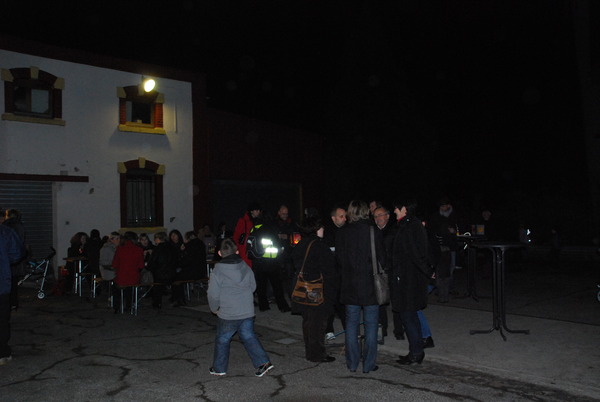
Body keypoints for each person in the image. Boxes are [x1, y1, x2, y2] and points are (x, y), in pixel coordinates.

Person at [207, 238, 274, 377]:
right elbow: (253, 286)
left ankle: (219, 368)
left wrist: (214, 308)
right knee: (248, 336)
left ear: (219, 253)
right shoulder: (245, 266)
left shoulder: (217, 271)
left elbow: (213, 294)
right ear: (237, 251)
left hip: (228, 313)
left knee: (222, 339)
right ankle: (263, 362)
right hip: (247, 310)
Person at [335, 200, 384, 373]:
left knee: (351, 325)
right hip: (370, 285)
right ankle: (368, 364)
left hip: (350, 285)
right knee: (371, 325)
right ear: (365, 212)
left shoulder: (343, 232)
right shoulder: (373, 230)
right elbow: (381, 258)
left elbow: (339, 260)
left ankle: (352, 363)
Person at [391, 199, 434, 365]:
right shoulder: (411, 224)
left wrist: (428, 271)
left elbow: (416, 254)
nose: (394, 211)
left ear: (403, 208)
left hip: (408, 280)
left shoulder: (409, 226)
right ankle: (416, 351)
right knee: (411, 316)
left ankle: (416, 353)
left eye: (396, 208)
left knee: (408, 317)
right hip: (410, 278)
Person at [291, 217, 337, 363]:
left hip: (303, 290)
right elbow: (329, 270)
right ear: (315, 229)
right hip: (316, 290)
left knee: (308, 322)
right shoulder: (319, 246)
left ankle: (310, 351)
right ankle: (317, 354)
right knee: (317, 324)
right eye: (321, 227)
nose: (323, 230)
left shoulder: (300, 244)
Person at [247, 213, 291, 313]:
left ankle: (263, 306)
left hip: (258, 261)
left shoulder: (255, 229)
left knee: (261, 285)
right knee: (277, 285)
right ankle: (283, 306)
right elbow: (276, 243)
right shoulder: (271, 229)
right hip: (271, 261)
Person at [373, 206, 404, 341]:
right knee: (380, 300)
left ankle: (399, 330)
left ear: (387, 216)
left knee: (396, 301)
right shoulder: (373, 232)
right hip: (378, 272)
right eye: (375, 216)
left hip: (393, 270)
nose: (378, 218)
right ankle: (383, 329)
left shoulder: (394, 230)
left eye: (380, 215)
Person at [322, 205, 347, 340]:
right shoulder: (328, 233)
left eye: (345, 216)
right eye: (341, 216)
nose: (344, 219)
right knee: (330, 303)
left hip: (344, 275)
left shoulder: (348, 230)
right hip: (330, 275)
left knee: (344, 303)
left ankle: (349, 329)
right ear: (333, 218)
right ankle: (328, 329)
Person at [0, 223, 23, 365]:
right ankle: (2, 353)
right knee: (2, 320)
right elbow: (16, 254)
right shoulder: (5, 232)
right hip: (1, 283)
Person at [171, 230, 206, 307]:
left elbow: (186, 261)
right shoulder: (201, 244)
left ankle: (179, 299)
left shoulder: (189, 246)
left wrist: (182, 252)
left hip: (191, 272)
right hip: (201, 271)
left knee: (176, 278)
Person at [111, 231, 144, 312]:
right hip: (133, 278)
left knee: (115, 287)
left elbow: (115, 264)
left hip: (121, 277)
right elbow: (141, 266)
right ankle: (129, 305)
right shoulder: (139, 250)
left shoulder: (120, 249)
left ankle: (116, 307)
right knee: (130, 288)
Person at [2, 209, 28, 310]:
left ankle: (10, 303)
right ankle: (13, 303)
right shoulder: (20, 226)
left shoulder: (6, 227)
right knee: (13, 283)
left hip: (6, 262)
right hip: (14, 261)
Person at [273, 205, 299, 299]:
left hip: (289, 253)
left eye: (286, 214)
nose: (285, 216)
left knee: (289, 276)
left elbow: (297, 236)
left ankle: (290, 295)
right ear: (279, 213)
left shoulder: (292, 223)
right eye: (283, 214)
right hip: (277, 253)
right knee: (277, 276)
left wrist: (287, 237)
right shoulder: (274, 223)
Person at [147, 232, 178, 310]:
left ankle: (157, 303)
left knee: (156, 284)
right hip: (172, 273)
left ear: (158, 239)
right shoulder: (172, 247)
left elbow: (152, 263)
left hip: (160, 274)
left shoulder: (157, 249)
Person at [233, 202, 262, 268]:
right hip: (244, 250)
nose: (258, 212)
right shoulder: (243, 221)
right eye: (256, 210)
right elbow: (236, 235)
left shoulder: (258, 221)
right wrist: (237, 249)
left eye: (259, 210)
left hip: (254, 249)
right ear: (251, 211)